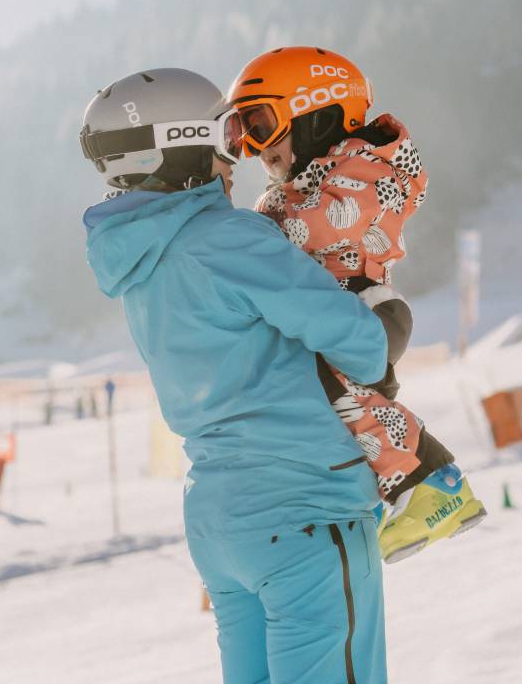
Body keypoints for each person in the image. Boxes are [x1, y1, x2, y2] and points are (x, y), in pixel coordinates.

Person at [81, 67, 389, 683]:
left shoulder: (139, 262)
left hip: (219, 519)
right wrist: (386, 331)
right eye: (227, 135)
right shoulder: (228, 237)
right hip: (303, 507)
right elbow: (356, 342)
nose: (238, 155)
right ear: (186, 146)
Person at [226, 47, 485, 563]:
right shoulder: (305, 184)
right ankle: (433, 484)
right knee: (352, 408)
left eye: (260, 123)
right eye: (239, 133)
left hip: (362, 308)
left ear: (317, 108)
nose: (254, 147)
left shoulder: (367, 169)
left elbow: (321, 225)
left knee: (342, 398)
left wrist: (242, 234)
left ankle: (427, 486)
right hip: (336, 310)